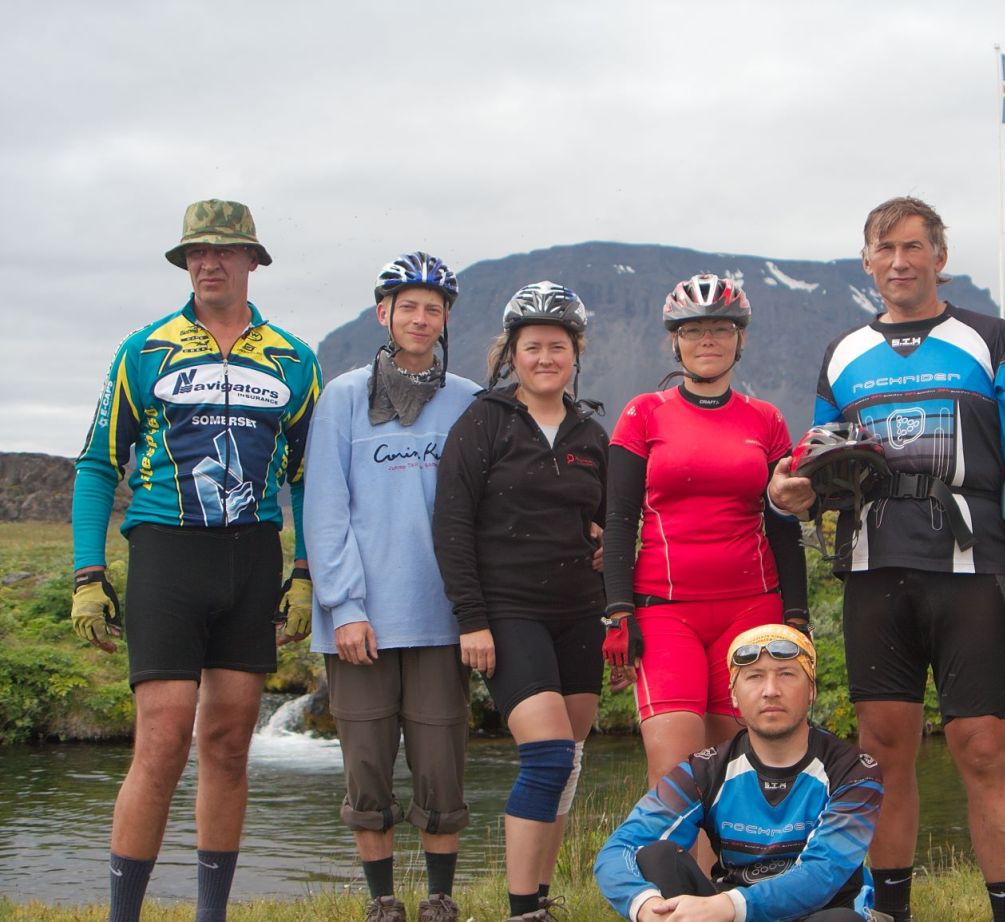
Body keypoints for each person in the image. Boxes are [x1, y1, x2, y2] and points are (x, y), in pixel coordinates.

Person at [768, 196, 1005, 922]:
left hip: (970, 564)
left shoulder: (989, 338)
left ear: (939, 255)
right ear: (867, 261)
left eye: (912, 247)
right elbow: (820, 457)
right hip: (874, 567)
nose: (898, 262)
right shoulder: (843, 352)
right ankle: (889, 912)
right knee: (880, 749)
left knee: (982, 746)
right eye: (885, 249)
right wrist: (791, 489)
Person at [69, 199, 320, 922]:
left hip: (251, 557)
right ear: (185, 263)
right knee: (162, 738)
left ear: (251, 261)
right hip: (166, 552)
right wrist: (88, 575)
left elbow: (308, 478)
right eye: (196, 253)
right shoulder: (144, 349)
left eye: (223, 251)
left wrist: (303, 573)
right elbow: (97, 464)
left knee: (230, 741)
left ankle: (212, 914)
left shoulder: (295, 358)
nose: (208, 263)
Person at [305, 252, 479, 922]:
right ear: (384, 313)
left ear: (445, 320)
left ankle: (440, 898)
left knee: (441, 770)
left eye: (433, 309)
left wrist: (475, 610)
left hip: (440, 617)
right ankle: (382, 902)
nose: (420, 318)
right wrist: (344, 606)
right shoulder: (344, 397)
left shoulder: (468, 399)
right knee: (367, 771)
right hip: (361, 623)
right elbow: (325, 508)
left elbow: (482, 507)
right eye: (408, 306)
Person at [432, 282, 608, 922]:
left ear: (575, 352)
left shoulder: (591, 433)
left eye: (557, 346)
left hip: (580, 614)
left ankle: (540, 896)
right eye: (532, 347)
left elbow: (611, 523)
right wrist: (471, 620)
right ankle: (519, 908)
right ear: (512, 353)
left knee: (569, 762)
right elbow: (451, 525)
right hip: (509, 611)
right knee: (548, 755)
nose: (545, 358)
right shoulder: (484, 421)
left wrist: (609, 563)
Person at [600, 273, 809, 792]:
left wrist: (798, 616)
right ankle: (679, 856)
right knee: (675, 776)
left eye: (721, 328)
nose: (707, 340)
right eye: (693, 330)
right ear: (676, 341)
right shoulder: (644, 413)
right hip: (665, 611)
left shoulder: (766, 420)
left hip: (752, 608)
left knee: (741, 777)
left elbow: (782, 523)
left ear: (740, 338)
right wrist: (619, 611)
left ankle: (737, 855)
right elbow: (620, 520)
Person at [595, 623, 885, 922]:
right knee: (656, 855)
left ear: (811, 690)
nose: (771, 691)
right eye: (754, 676)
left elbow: (823, 873)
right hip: (727, 913)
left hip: (815, 912)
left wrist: (729, 906)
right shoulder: (704, 770)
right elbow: (620, 848)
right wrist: (645, 905)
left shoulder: (855, 771)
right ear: (734, 695)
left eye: (786, 674)